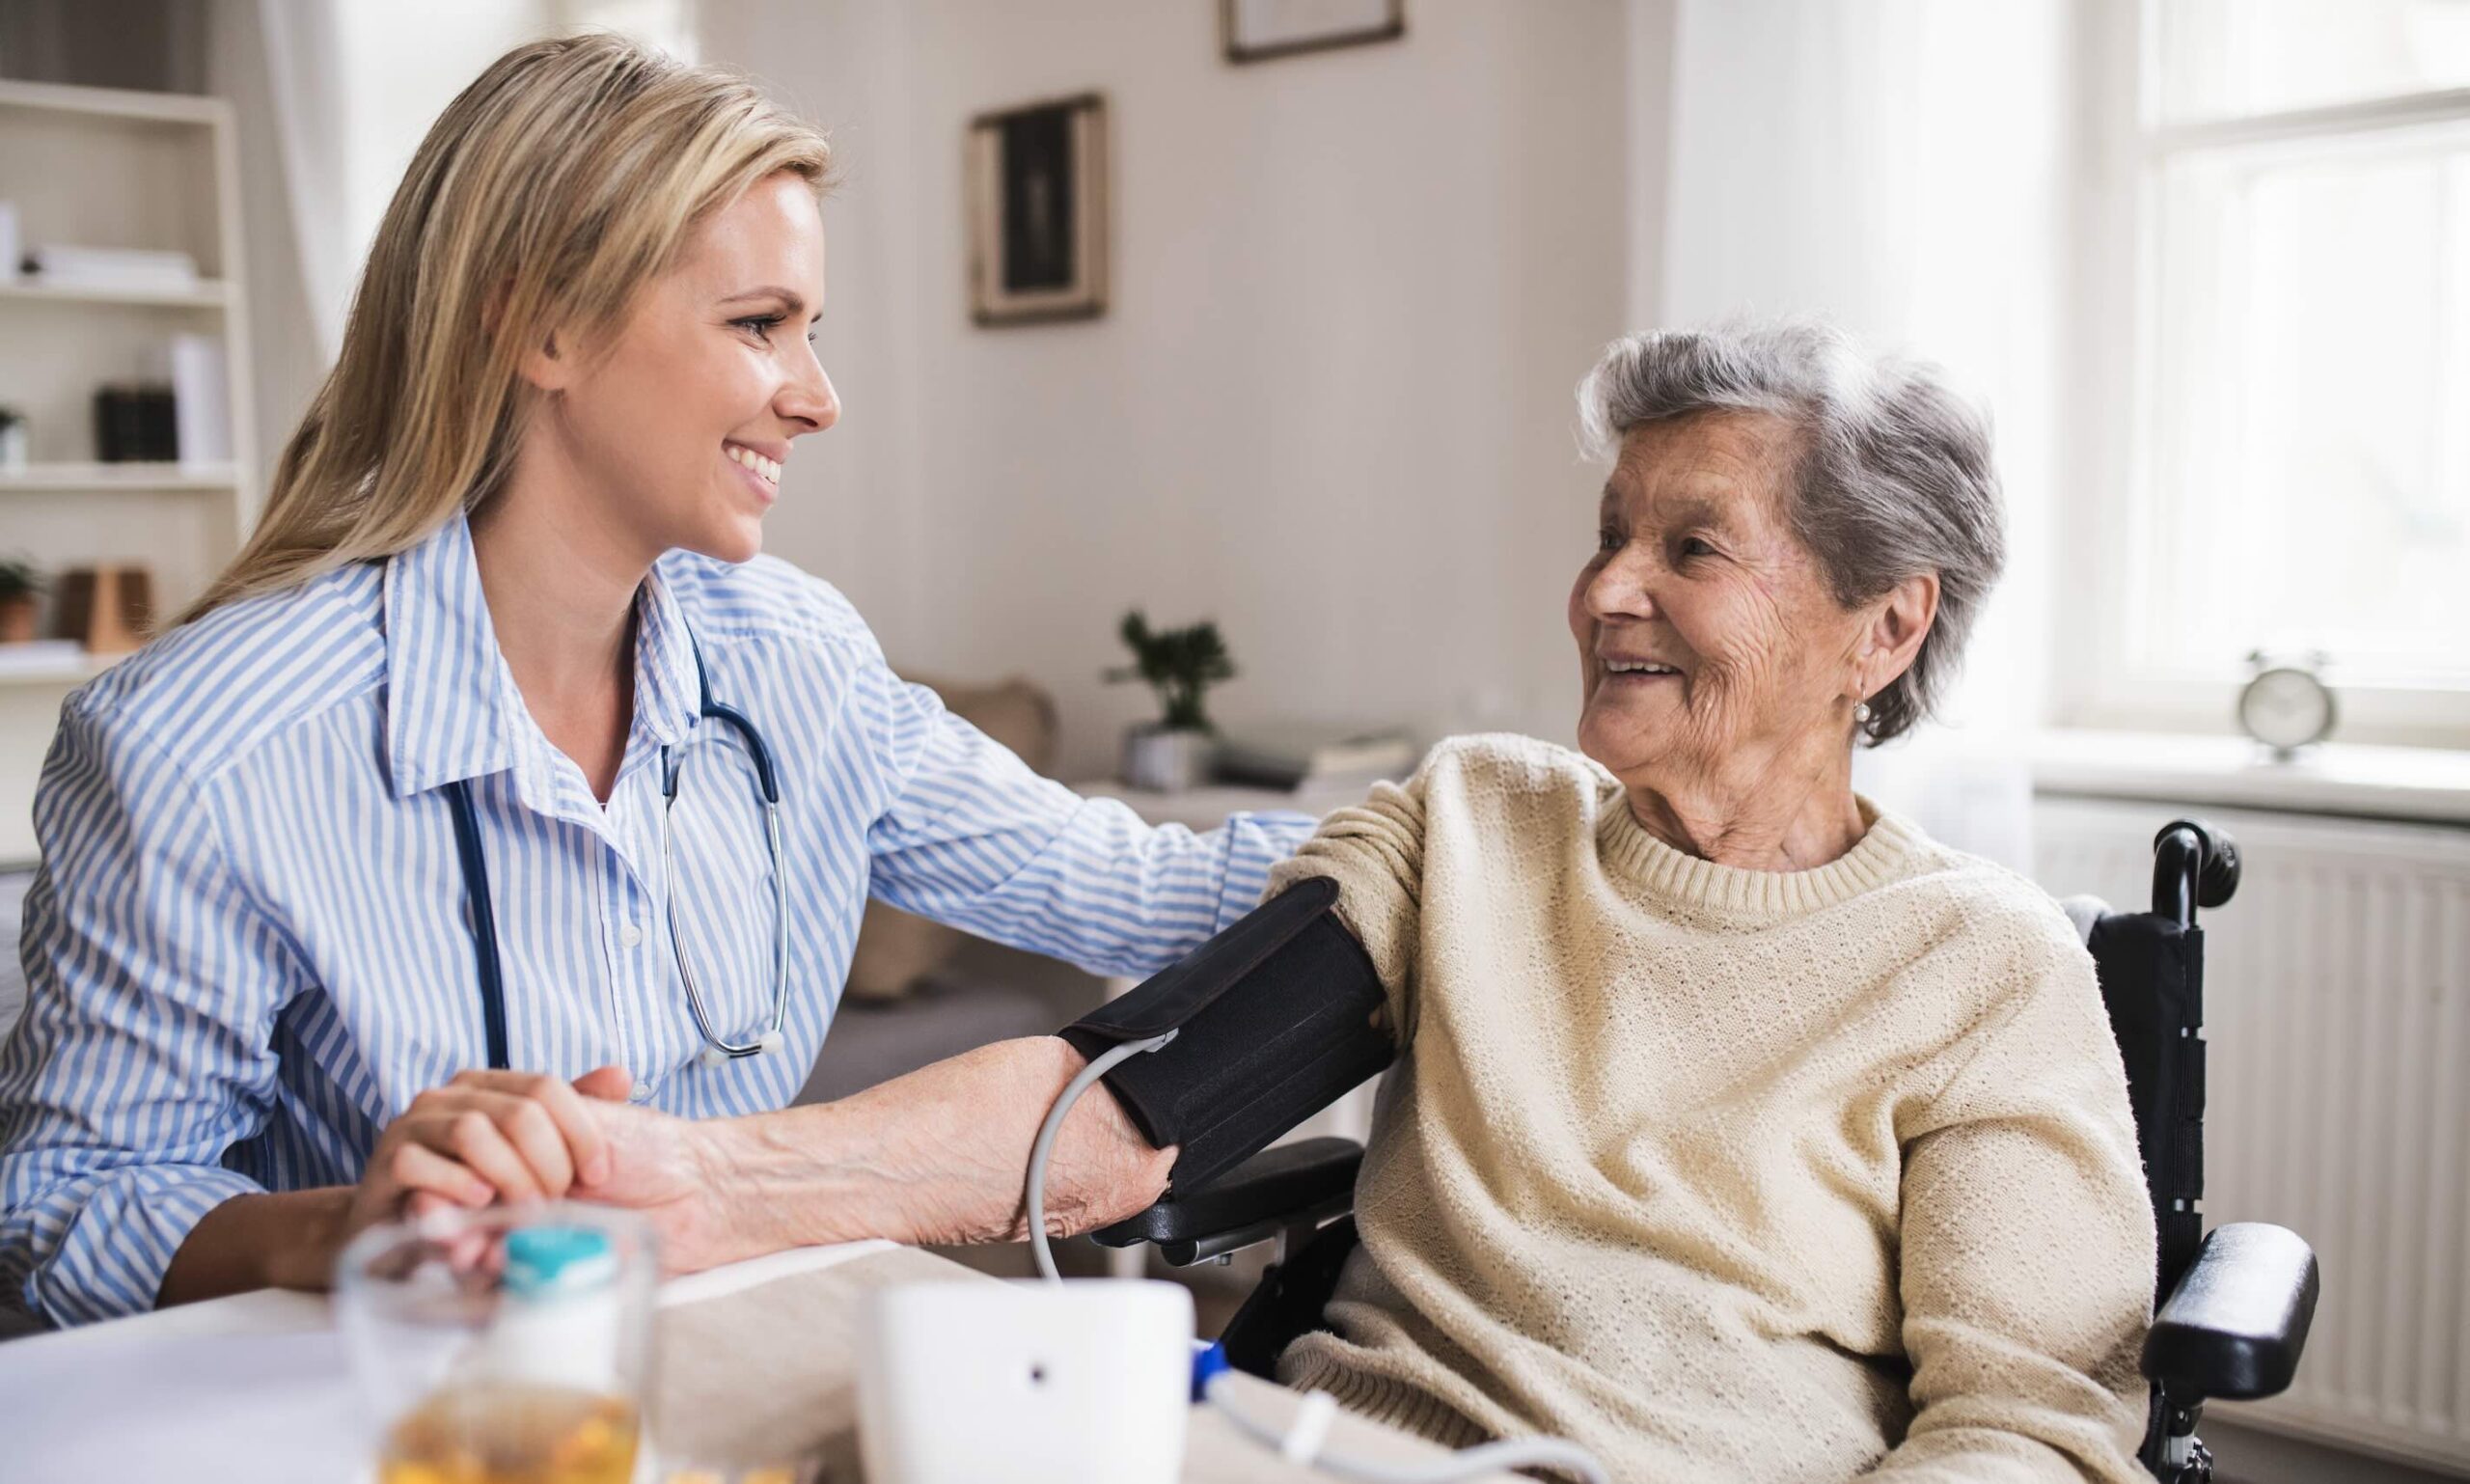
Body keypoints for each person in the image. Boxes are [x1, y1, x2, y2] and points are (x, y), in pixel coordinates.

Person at [556, 322, 2159, 1481]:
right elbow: (1117, 1102)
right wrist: (695, 1176)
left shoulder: (1984, 968)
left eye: (1691, 546)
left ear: (1884, 627)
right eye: (1609, 533)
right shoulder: (1479, 823)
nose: (1607, 589)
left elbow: (2026, 1422)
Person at [0, 33, 1310, 1330]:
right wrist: (350, 1223)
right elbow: (65, 1202)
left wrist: (1478, 832)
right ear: (541, 324)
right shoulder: (200, 745)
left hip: (726, 1378)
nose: (819, 397)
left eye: (811, 330)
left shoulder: (796, 661)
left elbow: (1148, 893)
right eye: (759, 326)